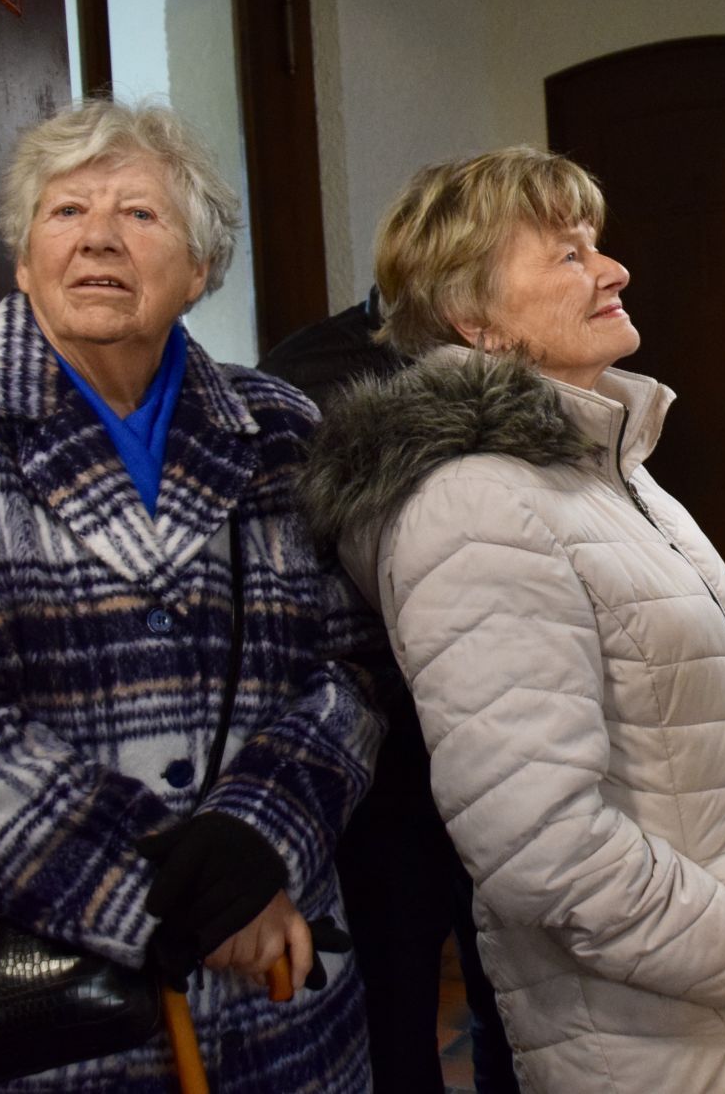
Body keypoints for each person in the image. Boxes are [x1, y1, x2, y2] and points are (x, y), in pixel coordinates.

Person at [0, 100, 383, 1092]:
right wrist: (187, 896)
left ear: (199, 266)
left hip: (264, 972)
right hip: (25, 981)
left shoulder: (278, 423)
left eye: (138, 213)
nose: (95, 235)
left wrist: (259, 834)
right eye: (65, 211)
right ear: (24, 258)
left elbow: (346, 669)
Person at [300, 147, 725, 1093]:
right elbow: (540, 846)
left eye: (593, 243)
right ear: (476, 320)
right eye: (565, 255)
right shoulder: (477, 505)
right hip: (657, 1024)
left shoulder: (608, 466)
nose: (612, 269)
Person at [259, 289, 519, 1093]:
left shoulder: (527, 360)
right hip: (385, 762)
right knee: (392, 1009)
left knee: (512, 1001)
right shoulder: (309, 373)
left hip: (508, 738)